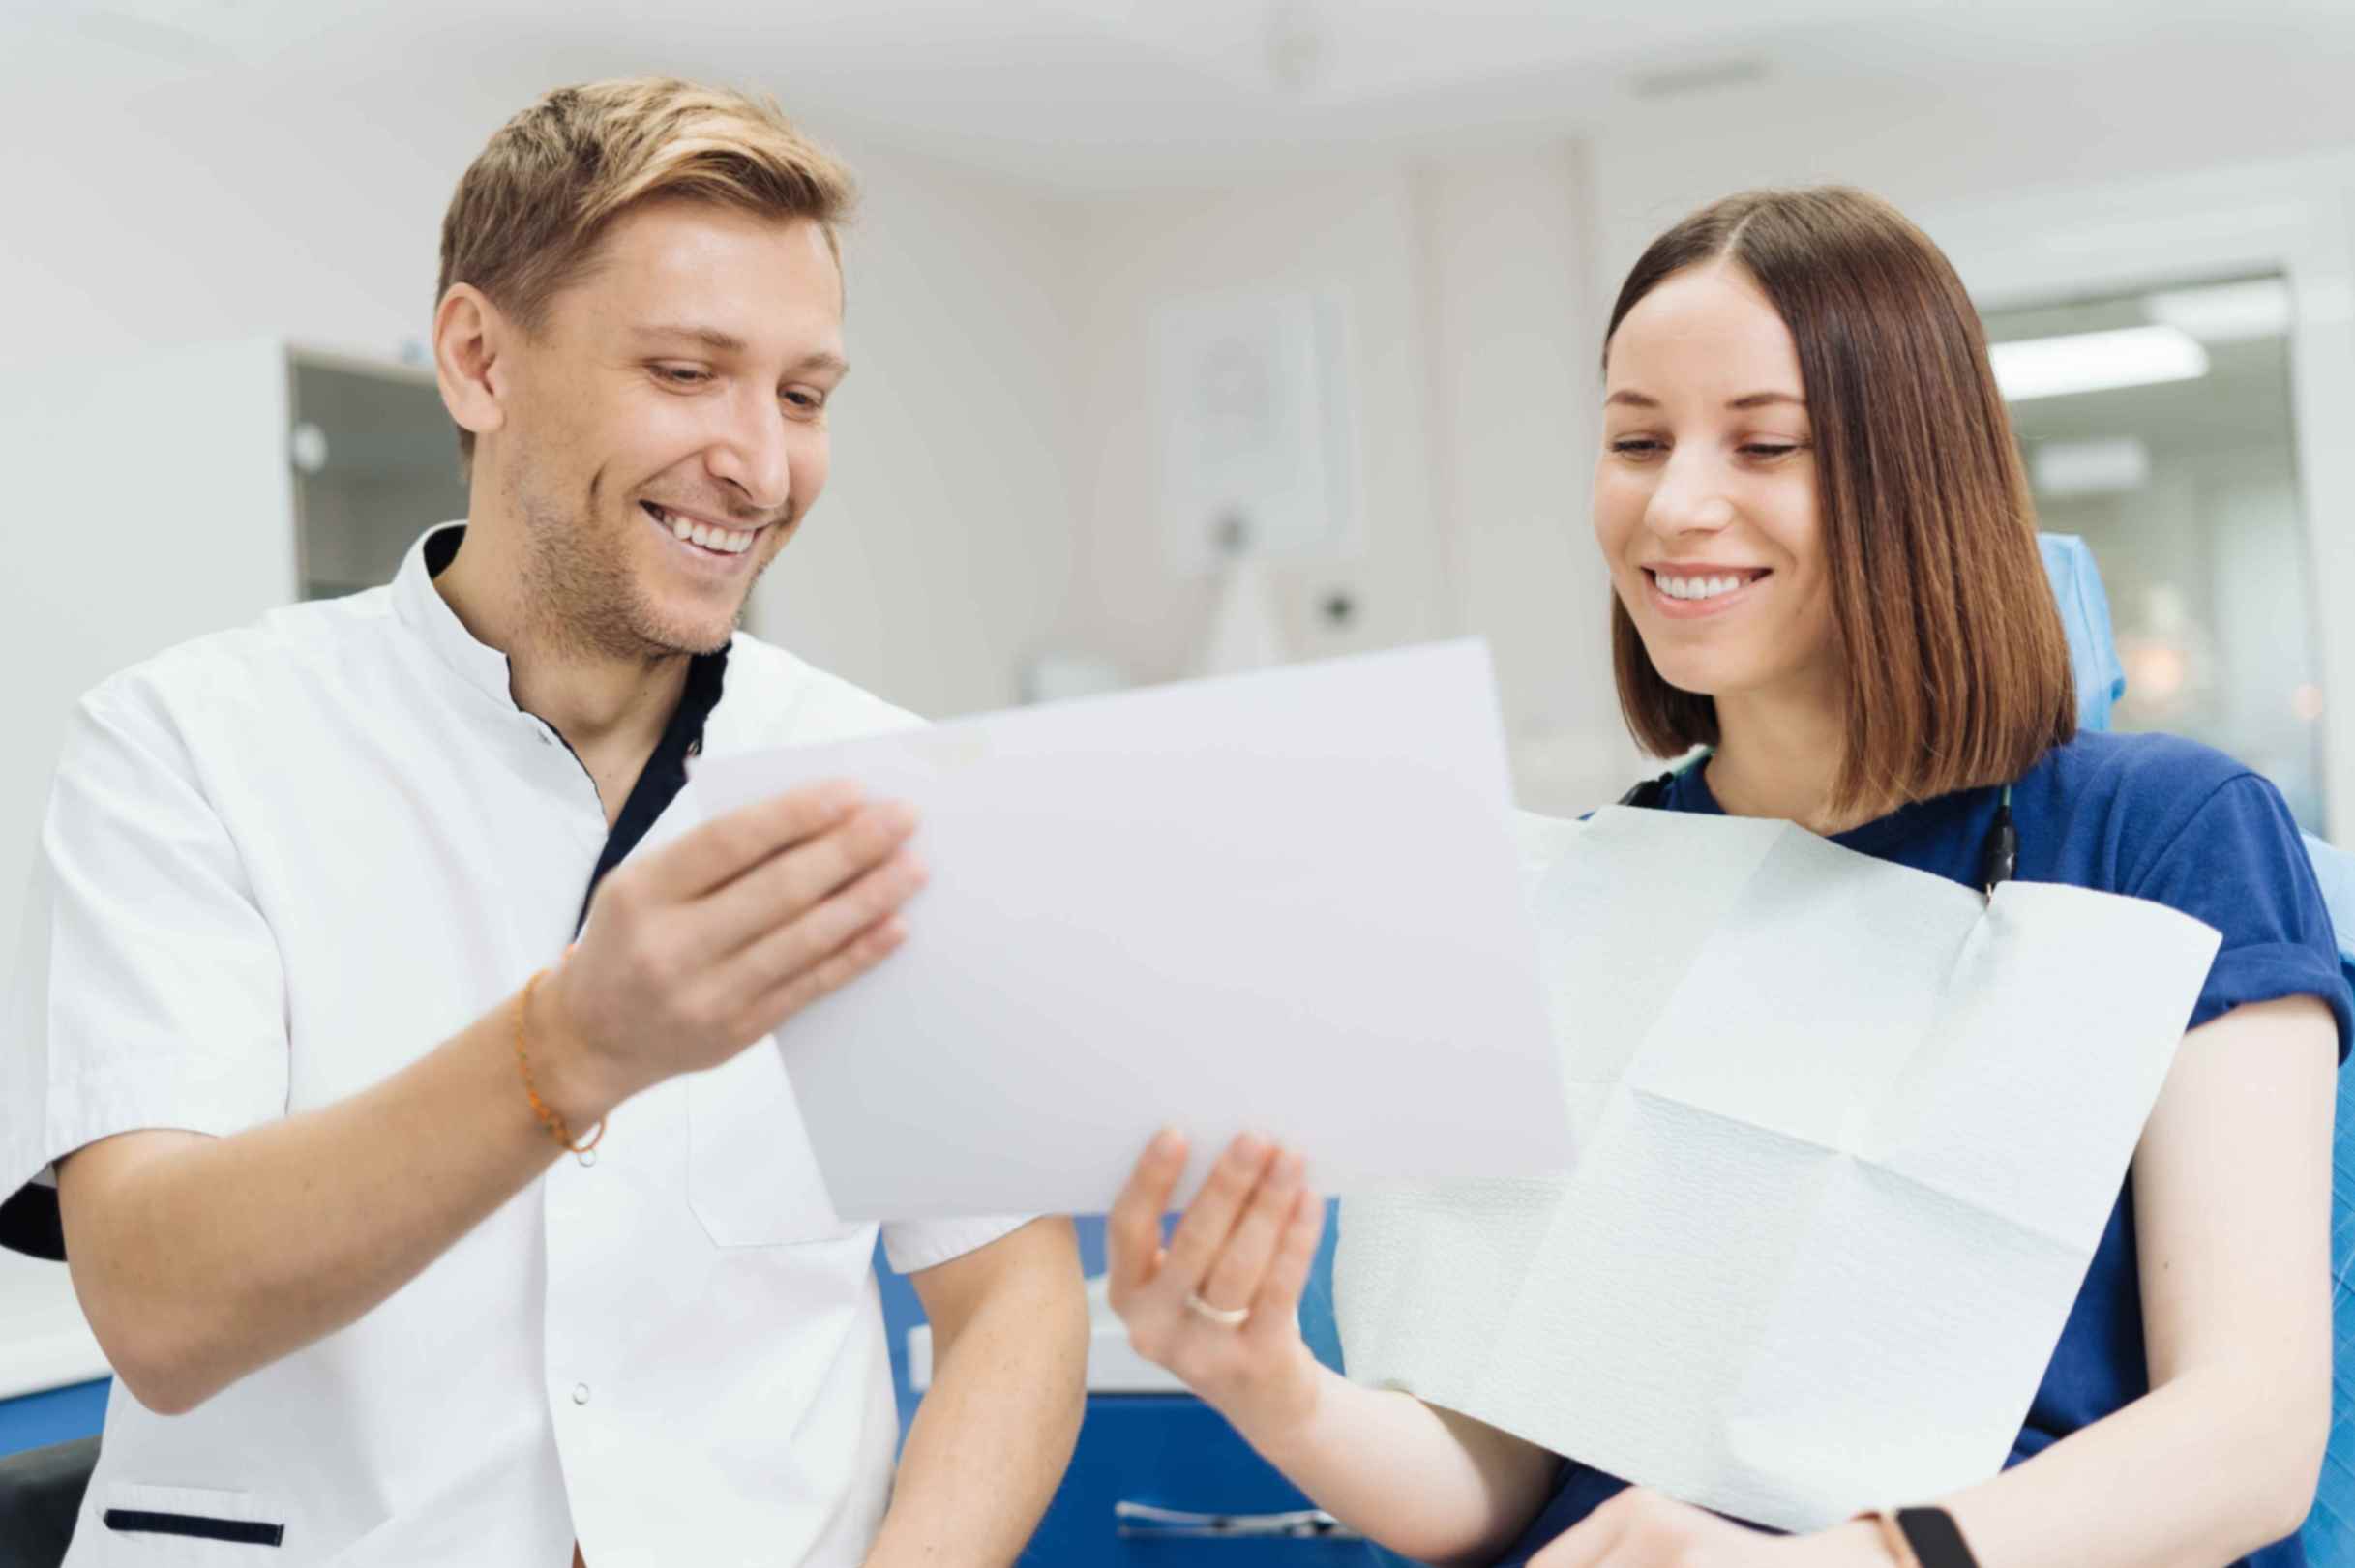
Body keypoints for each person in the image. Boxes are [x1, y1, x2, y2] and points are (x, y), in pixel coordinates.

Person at [1102, 186, 2349, 1568]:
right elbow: (1499, 1473)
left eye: (1764, 444)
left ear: (1914, 477)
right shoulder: (1585, 884)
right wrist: (1264, 1375)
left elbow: (2249, 1435)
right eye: (1634, 439)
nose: (1675, 502)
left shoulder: (2159, 836)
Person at [0, 77, 1088, 1566]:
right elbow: (159, 1308)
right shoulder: (188, 745)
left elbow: (1010, 1294)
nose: (760, 467)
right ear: (476, 360)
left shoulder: (876, 777)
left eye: (804, 396)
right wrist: (568, 1046)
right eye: (686, 371)